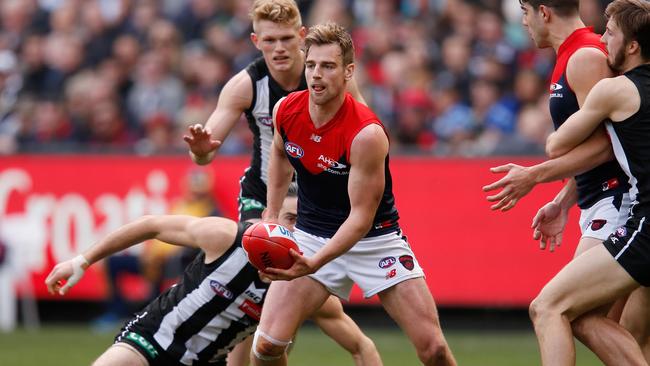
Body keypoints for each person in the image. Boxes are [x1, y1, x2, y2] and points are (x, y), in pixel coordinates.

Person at [252, 22, 456, 366]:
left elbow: (360, 219)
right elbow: (279, 157)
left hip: (374, 241)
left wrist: (314, 264)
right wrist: (272, 217)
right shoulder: (286, 110)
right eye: (312, 64)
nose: (317, 75)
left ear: (348, 72)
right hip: (312, 236)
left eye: (328, 66)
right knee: (267, 346)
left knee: (433, 350)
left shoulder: (366, 134)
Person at [182, 1, 367, 363]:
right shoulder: (245, 85)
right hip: (263, 195)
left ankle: (360, 348)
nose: (279, 48)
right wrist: (201, 151)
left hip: (317, 197)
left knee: (310, 302)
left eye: (286, 38)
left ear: (301, 36)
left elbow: (363, 126)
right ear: (255, 40)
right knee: (252, 286)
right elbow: (206, 150)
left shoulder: (325, 75)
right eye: (270, 40)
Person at [44, 185, 382, 366]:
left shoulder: (304, 288)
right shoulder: (227, 237)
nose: (293, 229)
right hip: (151, 340)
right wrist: (83, 261)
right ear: (271, 216)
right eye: (288, 218)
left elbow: (361, 346)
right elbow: (152, 225)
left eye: (302, 222)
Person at [482, 0, 650, 363]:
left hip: (619, 202)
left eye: (524, 11)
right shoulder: (572, 55)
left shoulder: (585, 57)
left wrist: (534, 175)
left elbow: (608, 145)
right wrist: (564, 199)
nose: (523, 22)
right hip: (607, 201)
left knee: (555, 307)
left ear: (543, 12)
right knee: (622, 330)